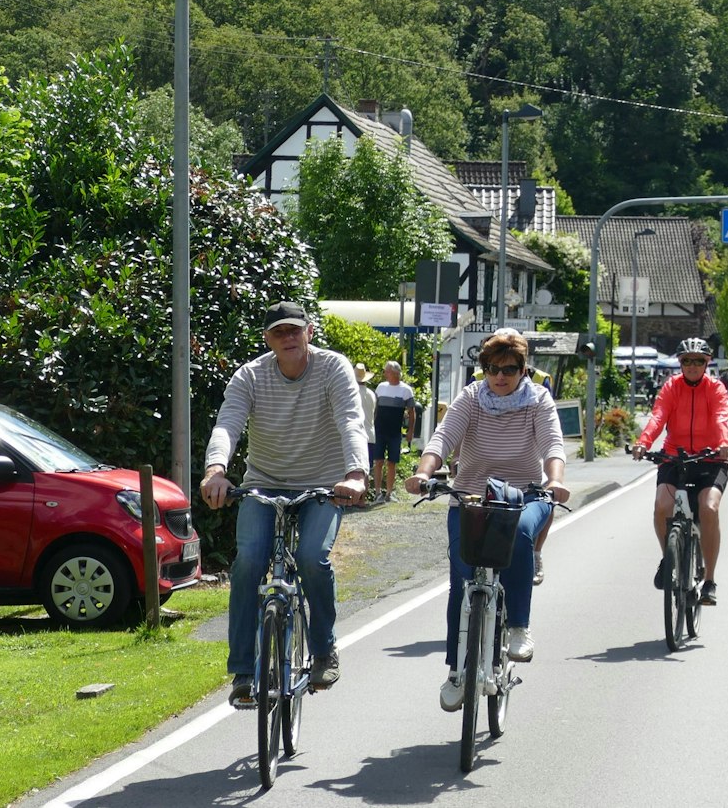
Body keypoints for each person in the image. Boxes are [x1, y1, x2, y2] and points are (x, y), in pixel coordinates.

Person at [203, 301, 369, 704]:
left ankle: (324, 650)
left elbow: (351, 419)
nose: (288, 337)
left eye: (295, 330)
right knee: (247, 563)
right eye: (279, 332)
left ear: (309, 332)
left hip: (324, 486)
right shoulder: (250, 376)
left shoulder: (332, 368)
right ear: (268, 339)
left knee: (313, 557)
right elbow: (228, 423)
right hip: (265, 483)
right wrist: (216, 469)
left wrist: (356, 474)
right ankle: (243, 671)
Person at [407, 328, 567, 712]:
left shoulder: (538, 400)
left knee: (523, 533)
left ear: (523, 369)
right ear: (484, 369)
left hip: (525, 492)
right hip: (472, 495)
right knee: (462, 580)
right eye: (493, 368)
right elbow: (443, 438)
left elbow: (552, 444)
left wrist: (556, 481)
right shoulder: (471, 398)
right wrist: (424, 473)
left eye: (510, 369)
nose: (500, 376)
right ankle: (456, 673)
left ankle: (518, 628)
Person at [631, 336, 728, 605]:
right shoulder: (671, 387)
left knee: (708, 508)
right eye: (687, 361)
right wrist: (643, 443)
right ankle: (670, 559)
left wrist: (724, 444)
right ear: (680, 363)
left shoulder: (715, 389)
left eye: (699, 361)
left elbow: (722, 417)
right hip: (674, 457)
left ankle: (709, 580)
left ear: (707, 363)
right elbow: (658, 416)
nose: (692, 366)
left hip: (710, 459)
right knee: (662, 506)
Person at [370, 361, 418, 503]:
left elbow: (412, 412)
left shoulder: (406, 390)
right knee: (378, 461)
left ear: (395, 373)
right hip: (379, 429)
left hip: (394, 431)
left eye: (387, 371)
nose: (385, 373)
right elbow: (375, 409)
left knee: (392, 462)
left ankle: (389, 492)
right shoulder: (380, 387)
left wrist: (410, 431)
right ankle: (378, 492)